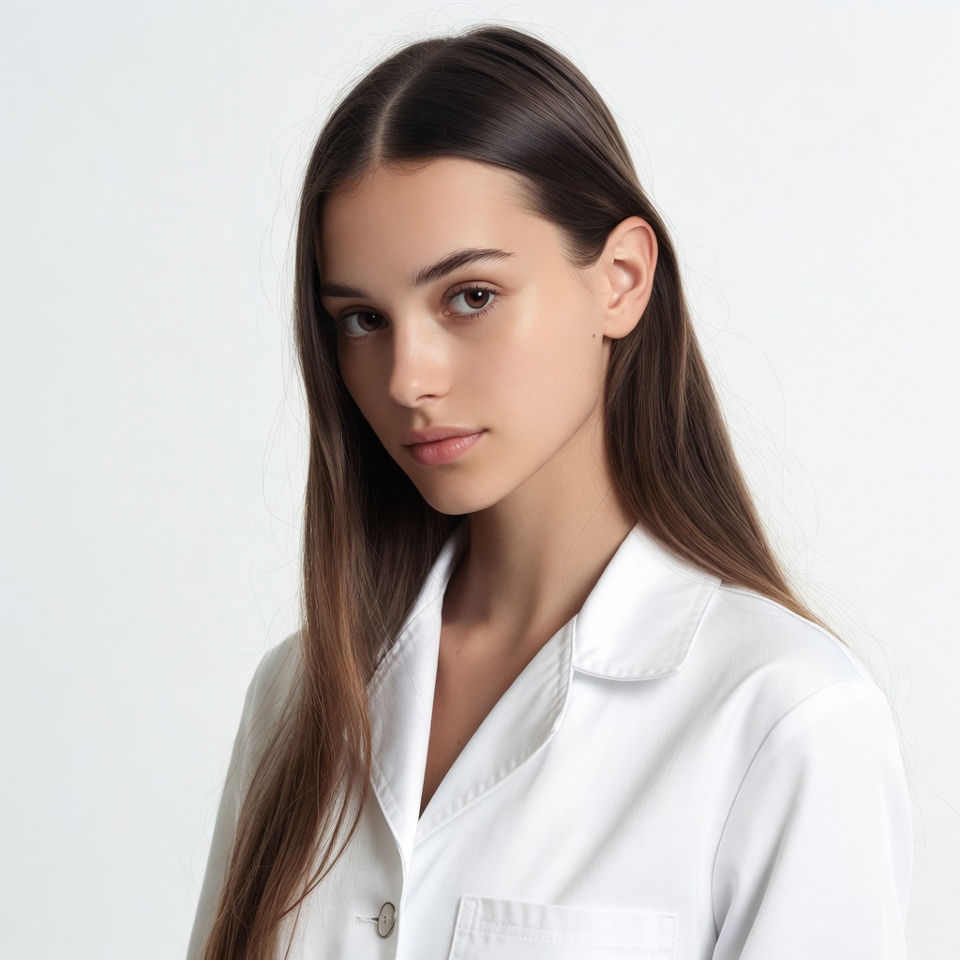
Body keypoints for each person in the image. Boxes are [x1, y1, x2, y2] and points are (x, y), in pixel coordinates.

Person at [187, 23, 912, 960]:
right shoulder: (300, 694)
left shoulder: (781, 717)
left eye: (470, 296)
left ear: (620, 280)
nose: (408, 377)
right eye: (362, 319)